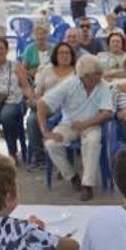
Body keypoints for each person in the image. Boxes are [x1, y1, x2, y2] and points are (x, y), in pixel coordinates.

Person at [37, 55, 113, 201]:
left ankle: (87, 185)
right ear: (83, 76)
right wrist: (45, 130)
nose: (98, 77)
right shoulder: (69, 84)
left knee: (92, 141)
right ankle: (72, 176)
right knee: (51, 144)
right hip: (69, 124)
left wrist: (85, 124)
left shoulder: (103, 85)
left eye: (99, 73)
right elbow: (42, 103)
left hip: (92, 124)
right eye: (94, 75)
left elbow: (107, 113)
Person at [28, 42, 76, 171]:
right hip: (46, 105)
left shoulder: (77, 72)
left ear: (72, 56)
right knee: (32, 120)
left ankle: (61, 160)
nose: (64, 56)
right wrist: (38, 100)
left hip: (67, 108)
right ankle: (39, 158)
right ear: (55, 55)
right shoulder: (47, 70)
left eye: (67, 53)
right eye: (61, 53)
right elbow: (37, 92)